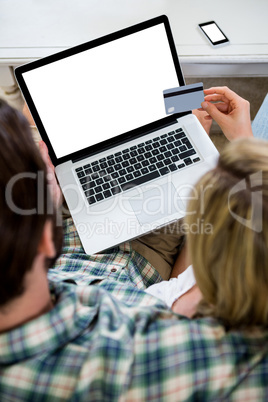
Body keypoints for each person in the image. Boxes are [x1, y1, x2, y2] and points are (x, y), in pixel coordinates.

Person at [0, 87, 268, 401]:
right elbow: (192, 278)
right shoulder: (162, 338)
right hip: (153, 247)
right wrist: (240, 147)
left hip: (69, 221)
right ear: (47, 239)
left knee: (48, 109)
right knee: (180, 113)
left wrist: (47, 194)